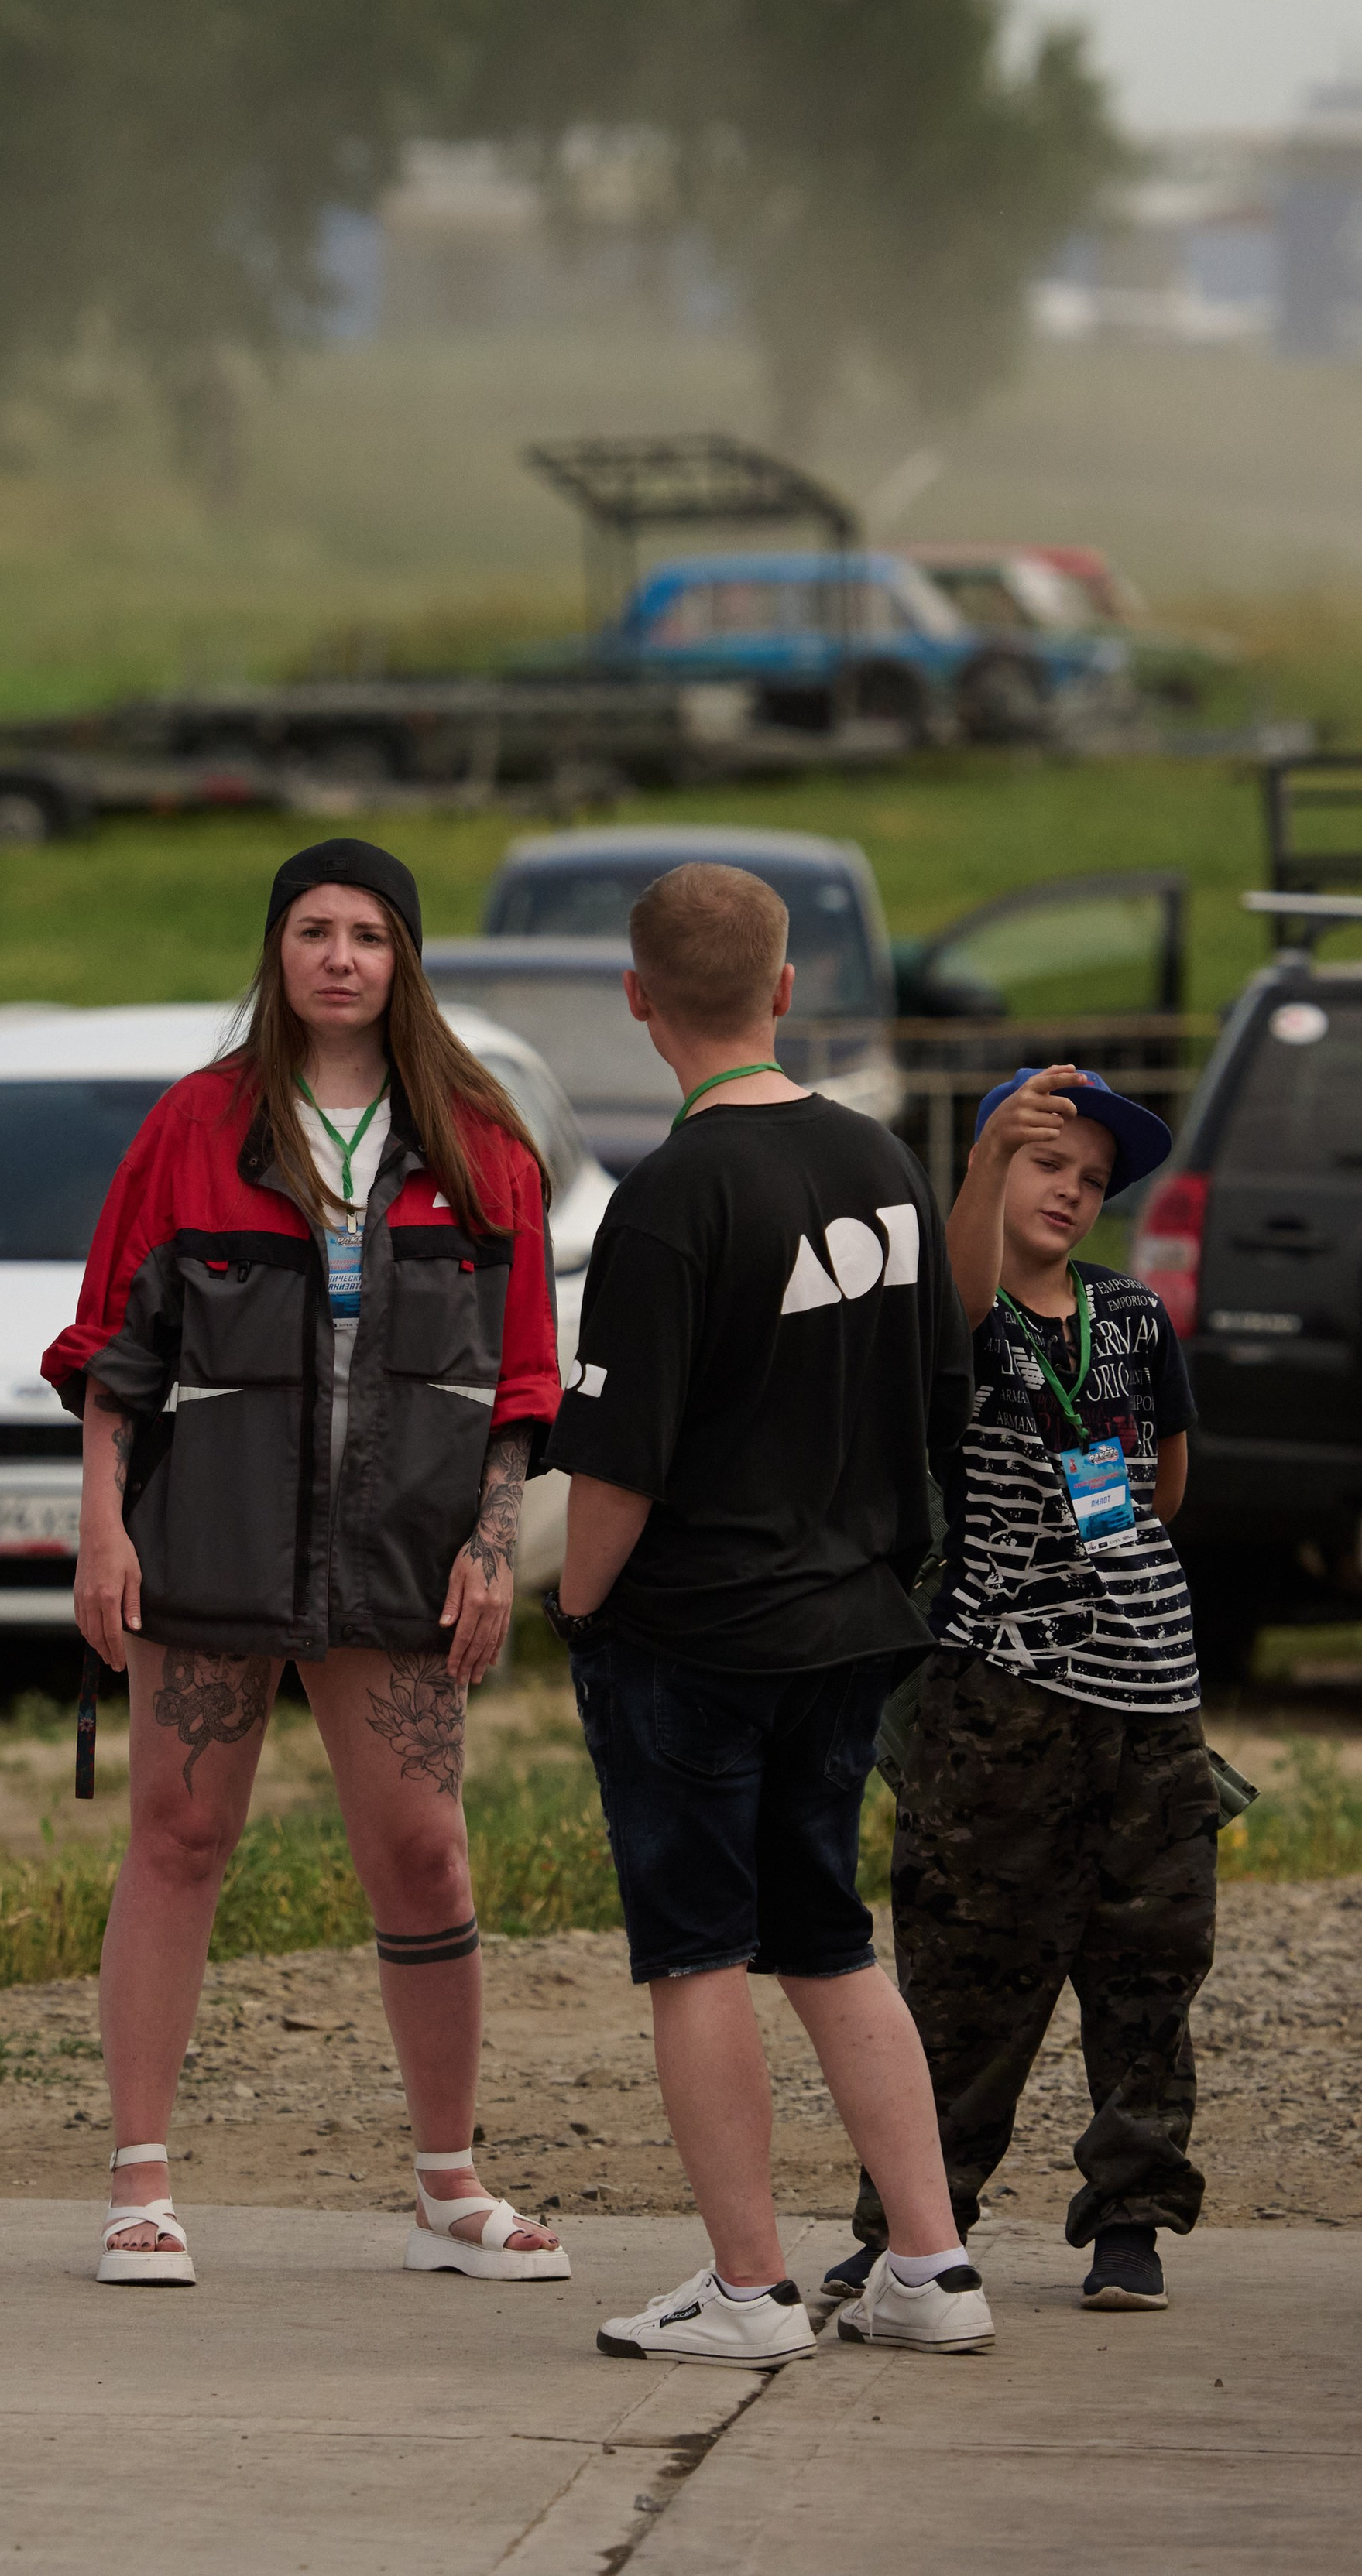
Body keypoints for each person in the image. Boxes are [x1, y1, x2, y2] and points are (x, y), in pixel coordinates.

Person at [43, 837, 568, 2289]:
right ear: (276, 951)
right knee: (178, 1835)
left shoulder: (481, 1138)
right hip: (207, 1537)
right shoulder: (194, 1128)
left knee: (424, 1851)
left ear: (407, 959)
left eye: (371, 935)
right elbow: (113, 1350)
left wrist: (490, 1541)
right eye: (315, 930)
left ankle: (447, 2185)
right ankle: (140, 2181)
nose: (341, 957)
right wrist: (103, 1523)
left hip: (406, 1547)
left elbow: (525, 1377)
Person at [547, 860, 993, 2363]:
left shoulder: (670, 1197)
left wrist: (575, 1609)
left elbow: (614, 1463)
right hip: (852, 1622)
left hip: (697, 1633)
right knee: (826, 1936)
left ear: (636, 1001)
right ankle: (929, 2264)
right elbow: (944, 1399)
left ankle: (746, 2289)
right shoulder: (879, 1161)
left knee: (695, 1952)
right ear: (784, 989)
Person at [834, 1064, 1209, 2317]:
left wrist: (1115, 1587)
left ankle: (1133, 2216)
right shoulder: (967, 1318)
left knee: (1149, 1961)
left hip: (1149, 1690)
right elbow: (958, 1292)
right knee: (963, 1968)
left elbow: (1163, 1482)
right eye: (1046, 1162)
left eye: (1092, 1177)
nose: (1071, 1190)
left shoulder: (1136, 1316)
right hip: (995, 1694)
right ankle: (913, 2220)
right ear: (992, 1169)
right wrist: (988, 1153)